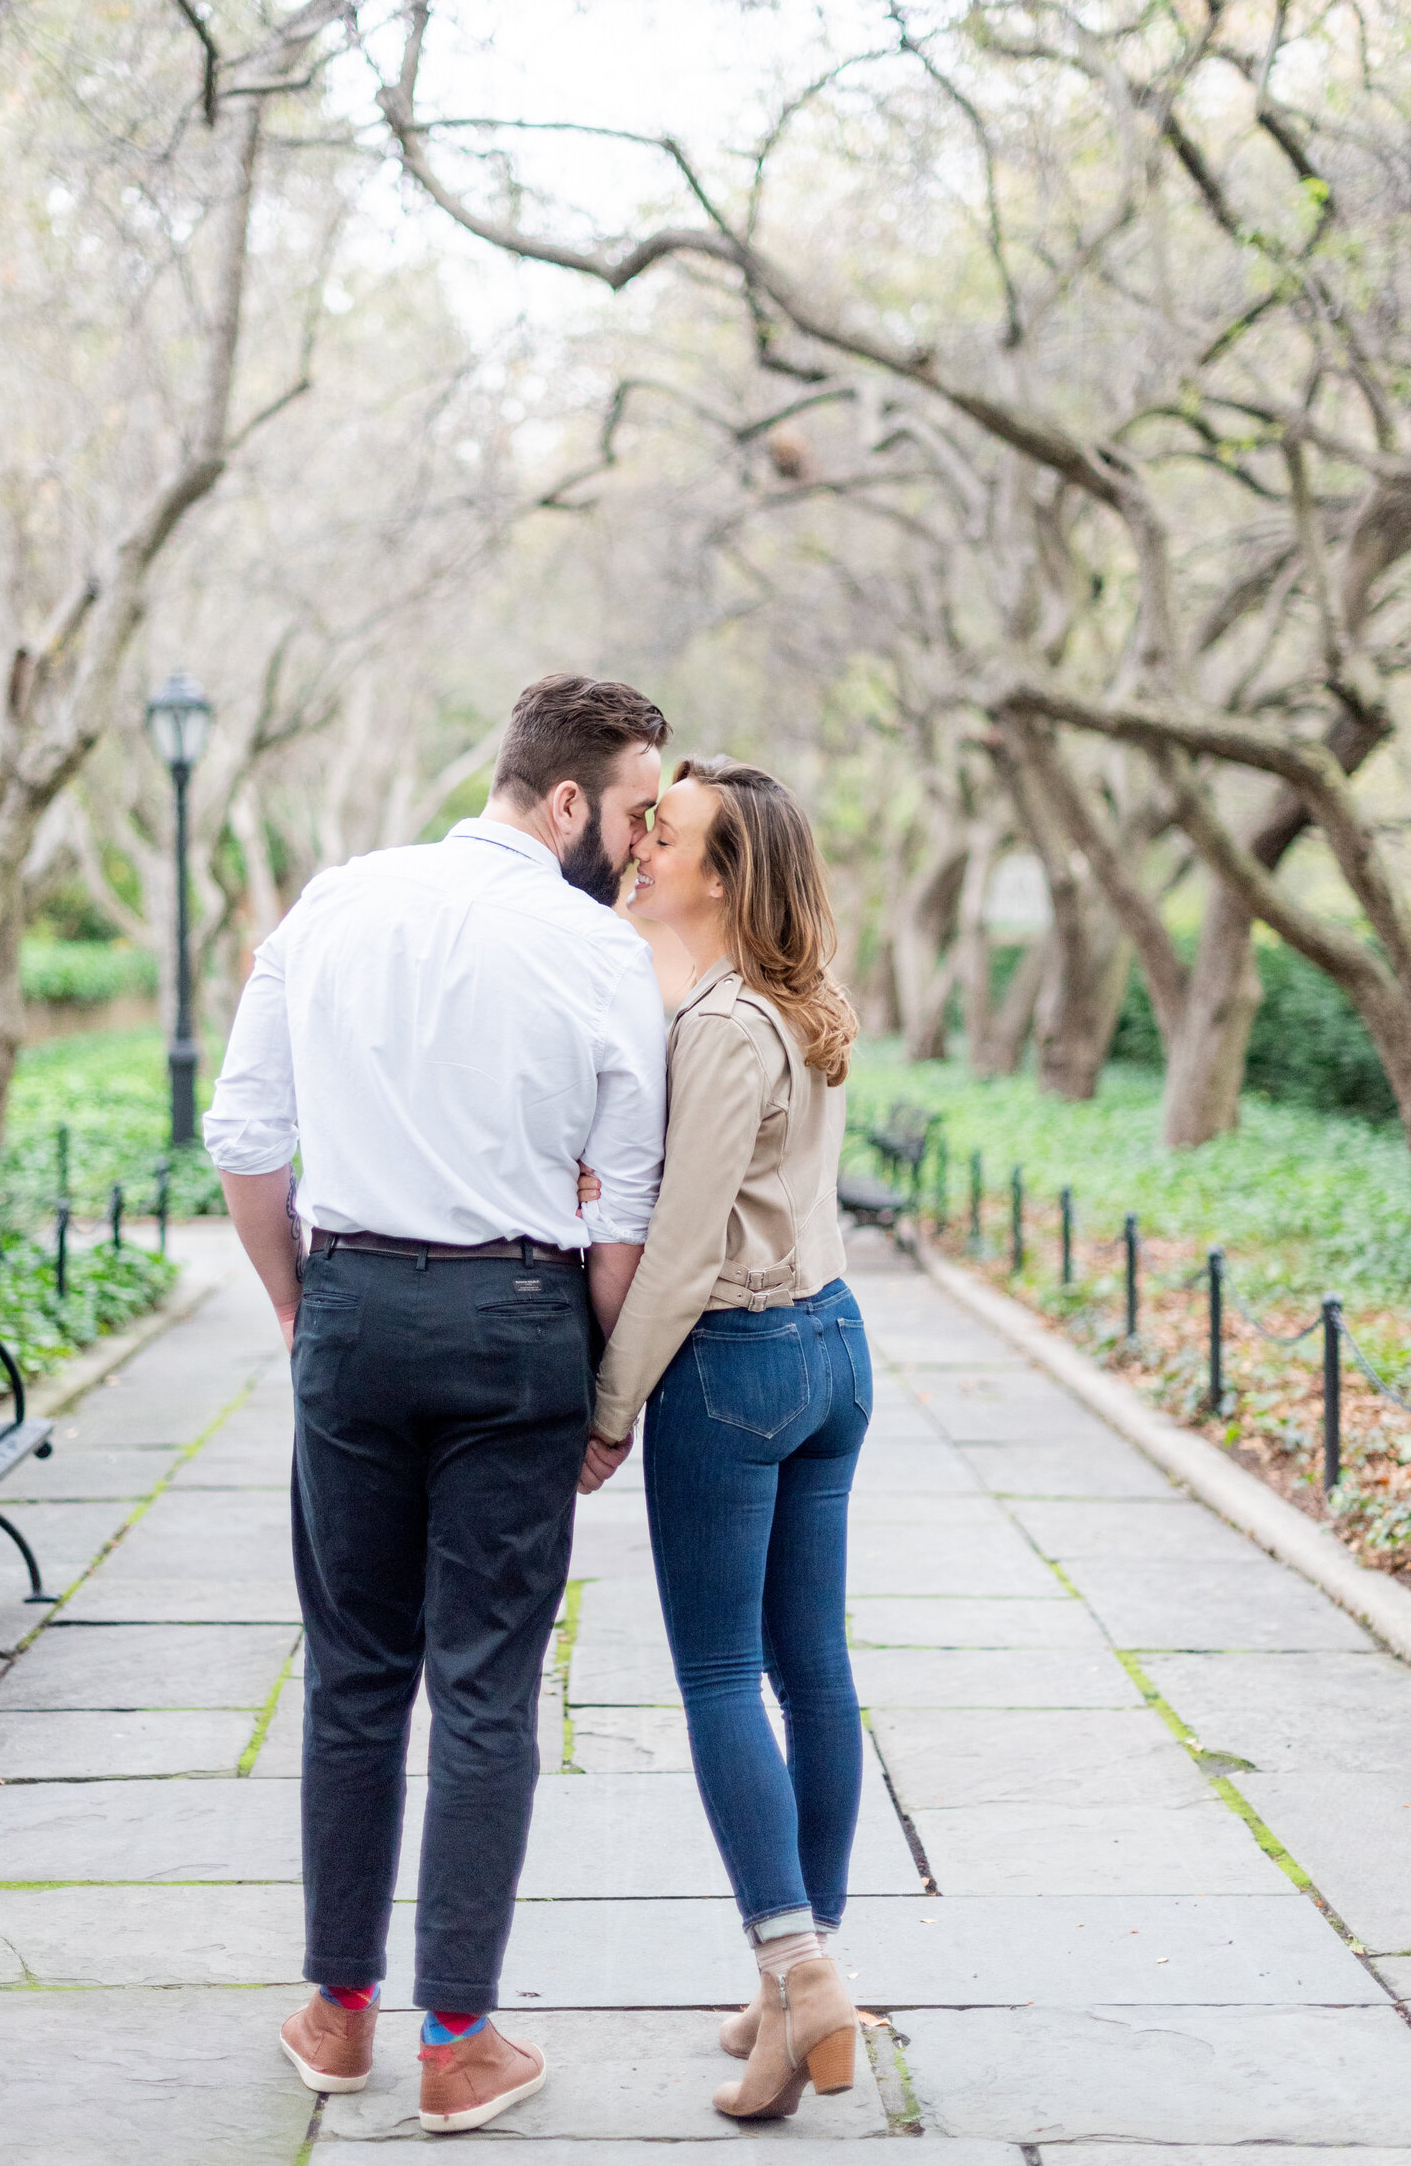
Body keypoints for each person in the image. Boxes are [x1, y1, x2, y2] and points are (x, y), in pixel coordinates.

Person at [202, 675, 670, 2134]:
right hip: (517, 1324)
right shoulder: (600, 955)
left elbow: (245, 1137)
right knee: (485, 1685)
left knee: (353, 1671)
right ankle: (457, 2040)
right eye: (642, 812)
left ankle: (339, 2014)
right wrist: (605, 1394)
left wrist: (300, 1305)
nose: (650, 845)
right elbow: (625, 1212)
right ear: (571, 800)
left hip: (349, 1311)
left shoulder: (334, 904)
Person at [578, 757, 869, 2123]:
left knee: (716, 1674)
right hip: (833, 1351)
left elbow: (683, 1254)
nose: (639, 846)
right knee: (814, 1671)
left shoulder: (720, 1026)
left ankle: (799, 1971)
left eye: (666, 832)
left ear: (720, 874)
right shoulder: (800, 1005)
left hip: (739, 1364)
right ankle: (798, 1982)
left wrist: (609, 1405)